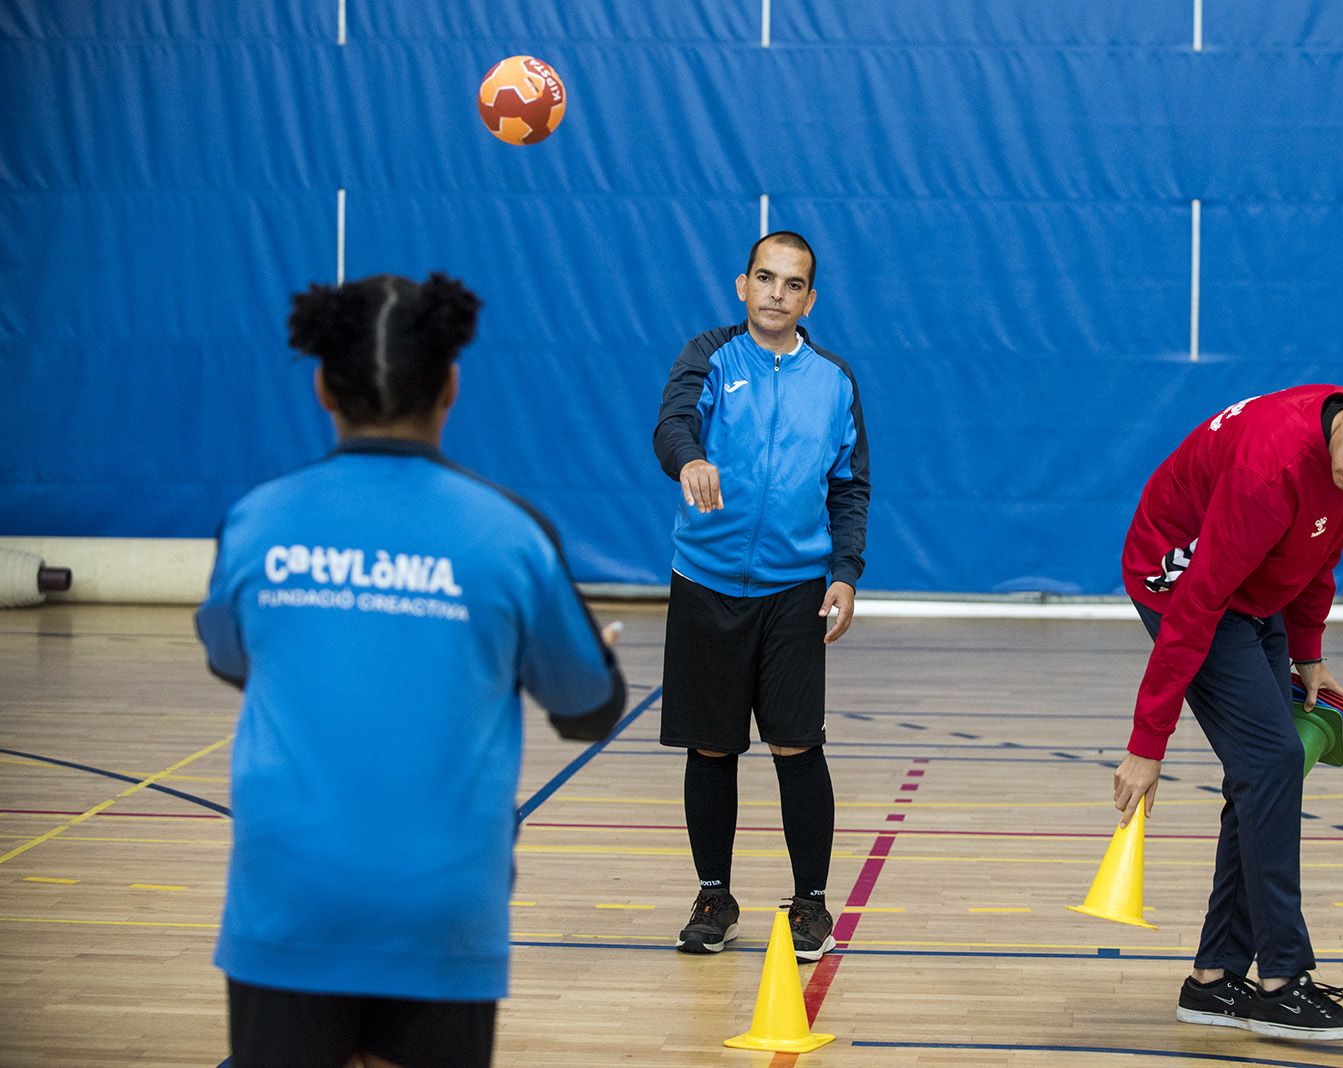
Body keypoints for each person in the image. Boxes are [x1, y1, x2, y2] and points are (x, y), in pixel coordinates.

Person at [196, 272, 626, 1068]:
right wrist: (588, 653)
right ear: (451, 387)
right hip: (440, 912)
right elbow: (588, 708)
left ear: (323, 385)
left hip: (287, 904)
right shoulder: (510, 534)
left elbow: (231, 658)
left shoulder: (255, 520)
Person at [1113, 379, 1343, 1041]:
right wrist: (1147, 743)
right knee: (1271, 762)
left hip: (1253, 584)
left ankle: (1214, 980)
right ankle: (1280, 981)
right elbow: (1197, 604)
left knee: (1266, 770)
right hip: (1181, 579)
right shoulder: (1271, 470)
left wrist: (1309, 650)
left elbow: (1321, 548)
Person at [652, 231, 870, 961]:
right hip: (705, 582)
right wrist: (690, 461)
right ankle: (714, 893)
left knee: (796, 744)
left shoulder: (834, 379)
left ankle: (810, 903)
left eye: (793, 284)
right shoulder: (708, 355)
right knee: (711, 746)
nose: (777, 294)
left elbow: (848, 485)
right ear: (741, 284)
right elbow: (673, 423)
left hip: (795, 591)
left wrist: (844, 573)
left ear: (810, 298)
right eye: (765, 279)